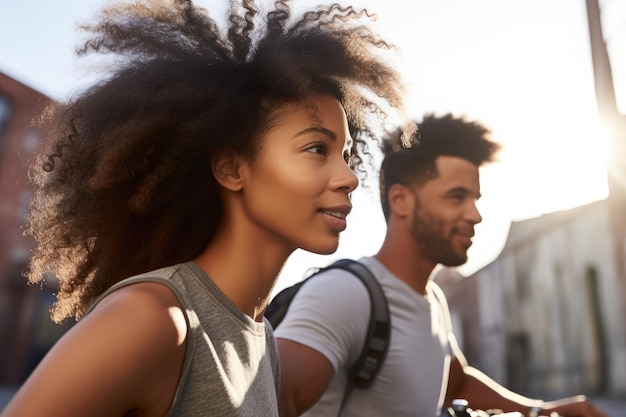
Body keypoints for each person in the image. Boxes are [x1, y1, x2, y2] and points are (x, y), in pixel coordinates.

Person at [0, 0, 415, 416]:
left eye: (344, 153)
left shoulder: (262, 339)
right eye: (316, 148)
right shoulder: (154, 320)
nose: (349, 177)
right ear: (232, 168)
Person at [275, 113, 609, 417]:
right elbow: (273, 398)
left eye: (475, 199)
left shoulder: (432, 299)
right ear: (401, 201)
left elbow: (457, 384)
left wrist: (542, 411)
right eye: (456, 197)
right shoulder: (344, 295)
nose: (475, 215)